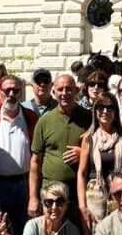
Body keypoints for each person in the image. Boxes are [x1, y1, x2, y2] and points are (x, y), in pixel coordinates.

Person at [0, 75, 37, 235]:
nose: (11, 94)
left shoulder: (31, 118)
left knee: (24, 229)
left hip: (24, 184)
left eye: (16, 90)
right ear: (0, 93)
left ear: (21, 93)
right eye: (7, 90)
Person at [28, 74, 92, 220]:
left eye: (69, 89)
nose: (64, 93)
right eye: (60, 89)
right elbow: (35, 162)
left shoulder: (89, 118)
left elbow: (102, 150)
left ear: (76, 91)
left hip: (79, 192)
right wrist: (33, 197)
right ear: (53, 92)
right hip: (51, 194)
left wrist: (84, 153)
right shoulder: (44, 121)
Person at [77, 92, 122, 235]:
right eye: (101, 107)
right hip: (95, 193)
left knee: (121, 234)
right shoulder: (88, 139)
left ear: (115, 112)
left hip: (121, 192)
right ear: (95, 111)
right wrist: (82, 206)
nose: (105, 111)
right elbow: (82, 173)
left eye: (110, 108)